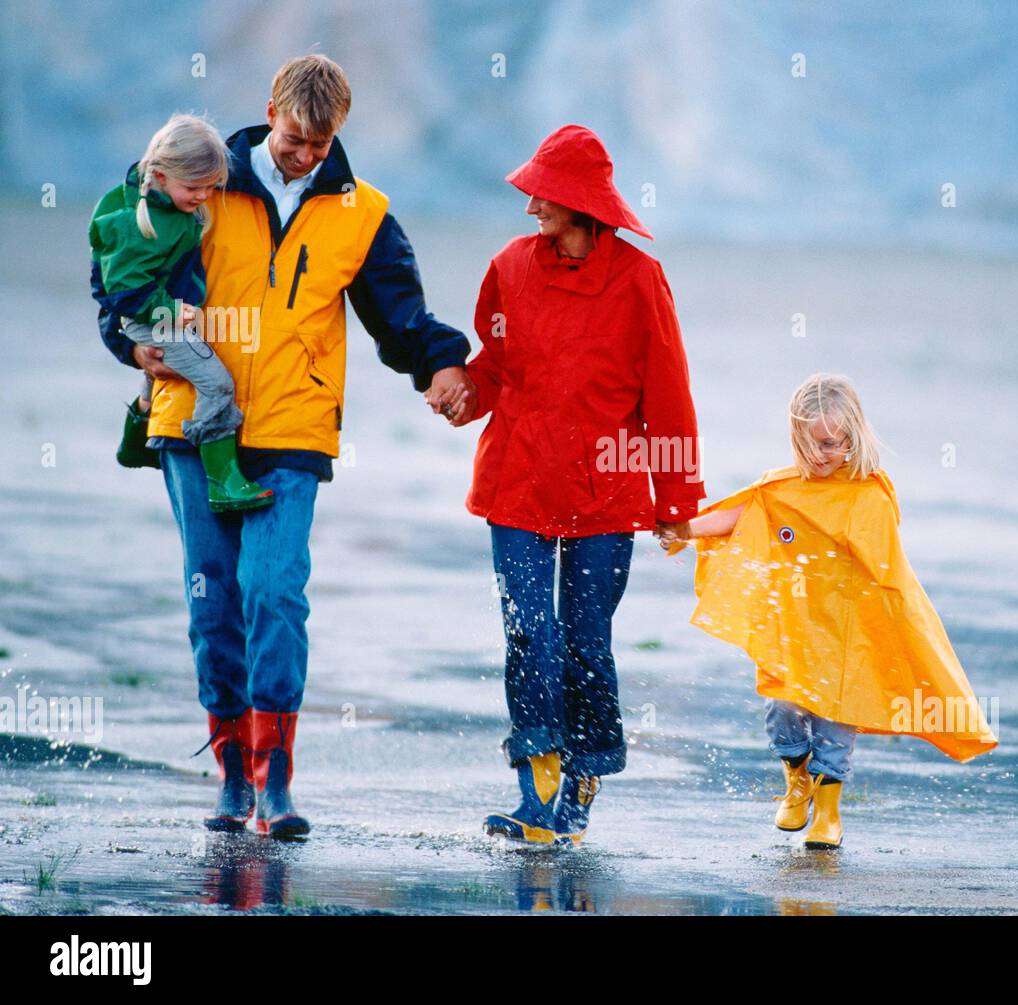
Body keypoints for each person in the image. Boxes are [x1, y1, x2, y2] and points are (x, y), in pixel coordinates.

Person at [98, 55, 474, 838]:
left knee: (274, 590)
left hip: (295, 428)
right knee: (214, 596)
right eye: (295, 137)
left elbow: (399, 313)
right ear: (271, 109)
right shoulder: (203, 178)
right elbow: (119, 266)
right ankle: (232, 775)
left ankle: (276, 781)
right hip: (192, 421)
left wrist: (441, 364)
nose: (305, 153)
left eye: (320, 141)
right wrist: (129, 346)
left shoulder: (363, 212)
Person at [446, 124, 705, 846]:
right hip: (517, 481)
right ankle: (539, 788)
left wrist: (678, 501)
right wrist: (462, 393)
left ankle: (584, 776)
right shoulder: (508, 267)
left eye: (542, 195)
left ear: (578, 203)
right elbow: (494, 366)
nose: (530, 207)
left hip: (607, 492)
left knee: (586, 639)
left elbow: (668, 394)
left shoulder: (640, 279)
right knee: (529, 628)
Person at [657, 373, 998, 849]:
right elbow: (739, 516)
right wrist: (685, 529)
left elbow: (887, 574)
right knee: (783, 709)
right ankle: (796, 782)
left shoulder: (869, 494)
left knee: (838, 721)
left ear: (853, 436)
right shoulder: (783, 487)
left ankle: (829, 814)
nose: (822, 454)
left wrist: (895, 635)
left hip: (846, 637)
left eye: (833, 444)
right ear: (796, 438)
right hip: (794, 630)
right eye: (812, 443)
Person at [90, 113, 272, 512]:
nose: (203, 197)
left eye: (211, 187)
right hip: (154, 319)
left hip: (161, 317)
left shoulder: (171, 205)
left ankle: (134, 443)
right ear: (157, 175)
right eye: (194, 187)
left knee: (161, 373)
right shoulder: (138, 223)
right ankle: (221, 479)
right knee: (217, 383)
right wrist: (171, 311)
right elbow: (124, 294)